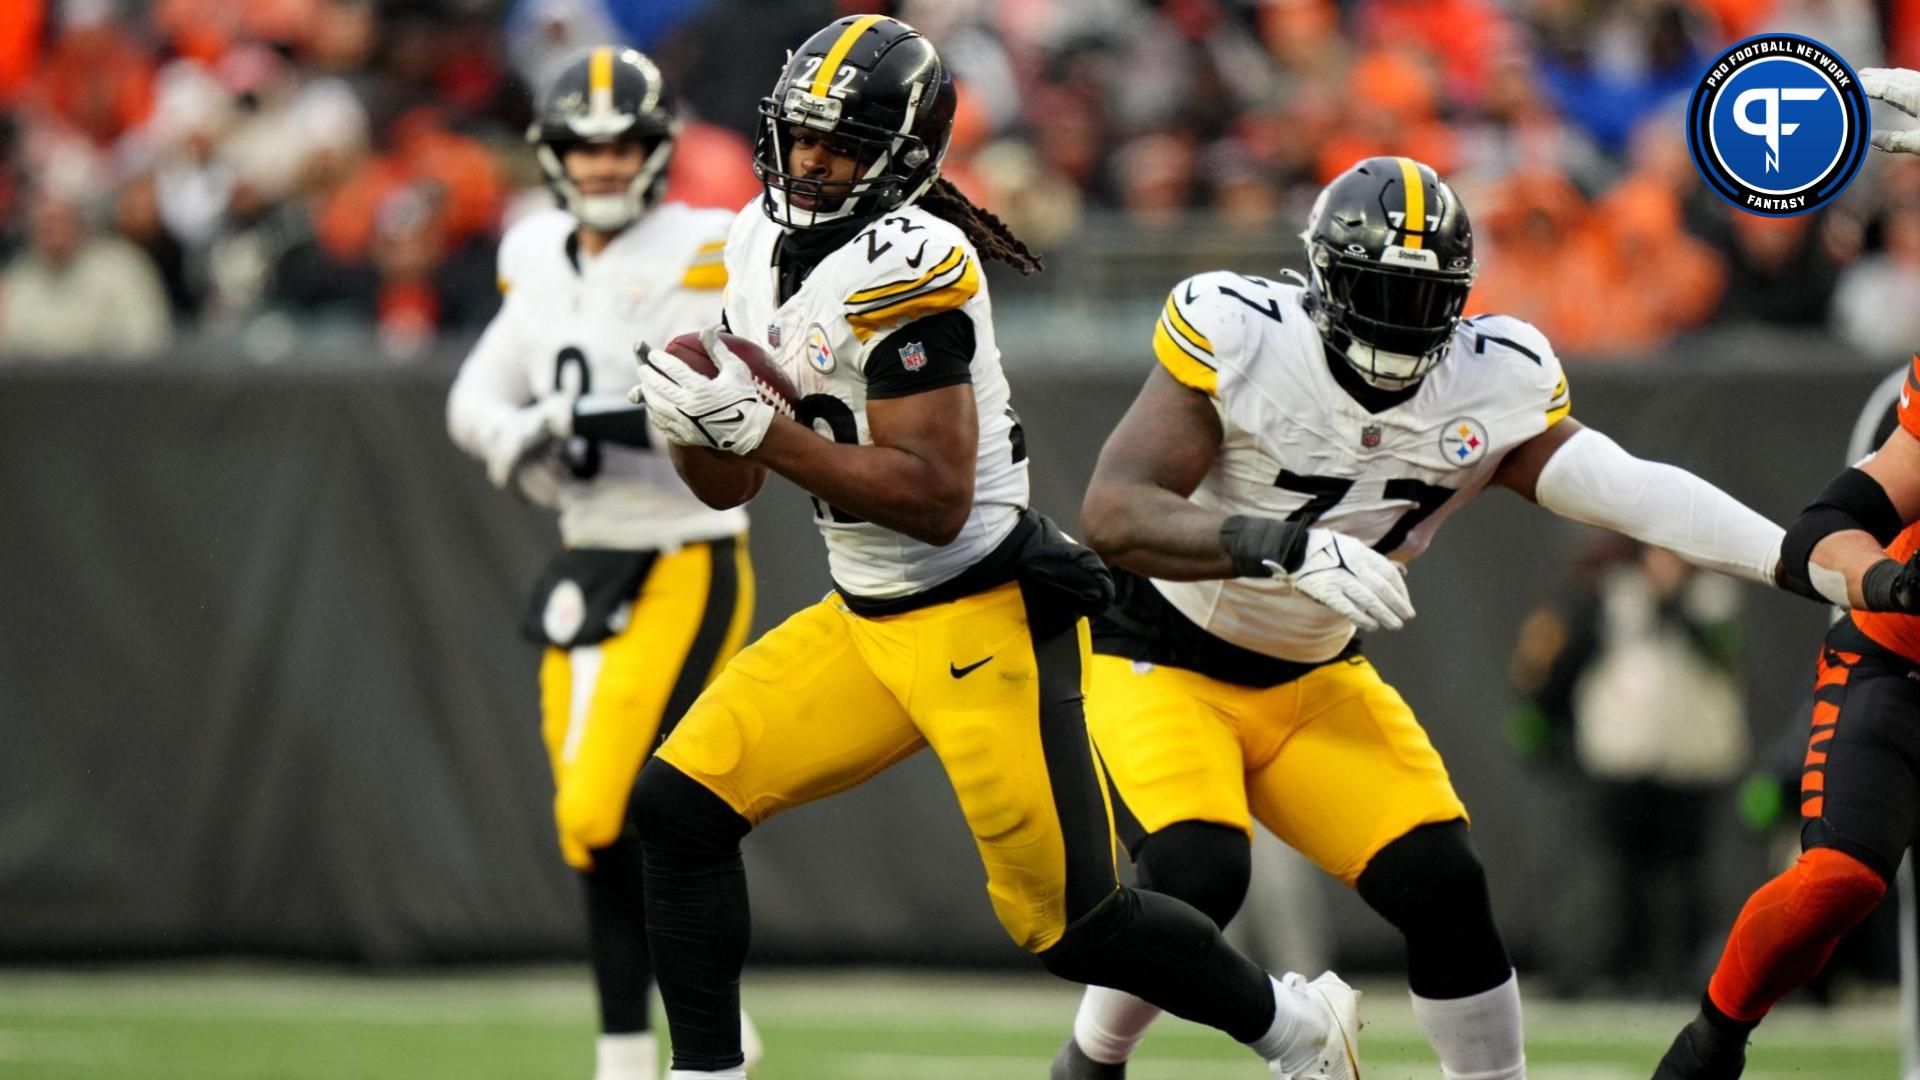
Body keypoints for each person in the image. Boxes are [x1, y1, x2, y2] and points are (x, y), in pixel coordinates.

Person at [629, 15, 1359, 1080]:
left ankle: (1296, 1030)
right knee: (678, 809)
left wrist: (766, 432)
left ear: (906, 155)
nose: (811, 160)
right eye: (800, 135)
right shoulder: (752, 239)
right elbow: (735, 481)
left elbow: (930, 498)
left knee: (1075, 926)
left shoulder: (915, 263)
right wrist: (694, 428)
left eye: (840, 142)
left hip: (975, 614)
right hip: (865, 617)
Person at [1054, 154, 1787, 1080]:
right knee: (1199, 875)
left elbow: (1630, 489)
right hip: (1162, 654)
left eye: (1422, 297)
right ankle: (1091, 1063)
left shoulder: (1490, 378)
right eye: (1376, 290)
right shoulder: (1246, 334)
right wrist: (1279, 543)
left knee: (1444, 884)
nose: (1399, 320)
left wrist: (1796, 556)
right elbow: (1115, 512)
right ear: (1323, 277)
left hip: (1313, 673)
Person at [445, 47, 758, 1080]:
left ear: (659, 149)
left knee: (625, 807)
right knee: (590, 825)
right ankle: (636, 1040)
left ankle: (657, 1040)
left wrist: (562, 416)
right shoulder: (534, 251)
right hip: (587, 558)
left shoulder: (709, 246)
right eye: (583, 148)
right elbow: (473, 394)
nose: (603, 164)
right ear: (552, 157)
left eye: (621, 144)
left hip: (687, 552)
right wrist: (508, 436)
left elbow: (708, 399)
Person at [1651, 63, 1920, 1080]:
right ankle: (1713, 1036)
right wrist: (1891, 583)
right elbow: (1826, 527)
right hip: (1899, 665)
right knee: (1838, 881)